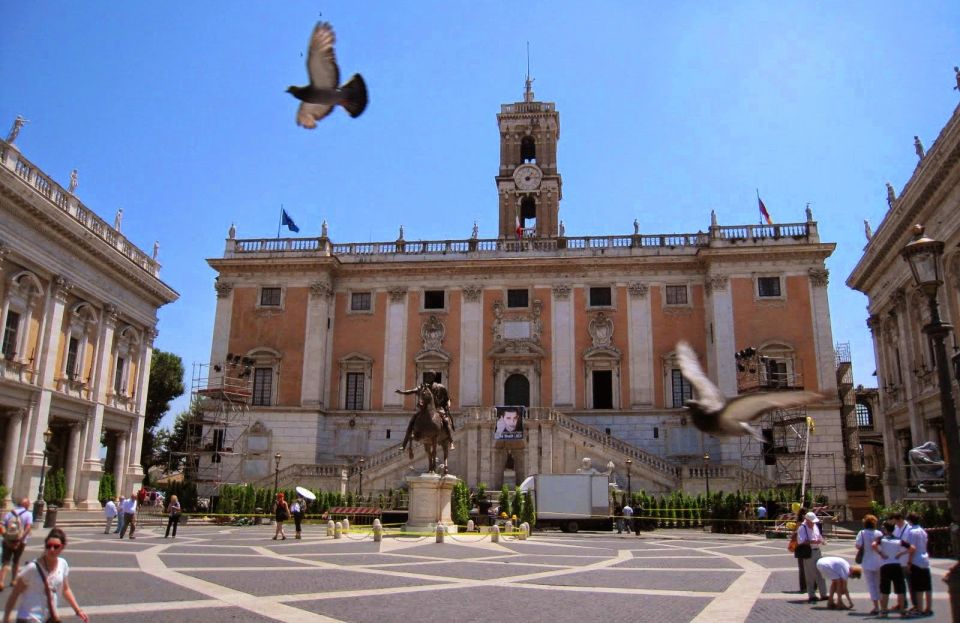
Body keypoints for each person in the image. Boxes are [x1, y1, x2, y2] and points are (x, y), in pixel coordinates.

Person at [2, 527, 88, 623]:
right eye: (49, 546)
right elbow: (15, 594)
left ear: (62, 547)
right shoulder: (32, 568)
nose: (51, 549)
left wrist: (78, 610)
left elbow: (65, 589)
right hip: (29, 617)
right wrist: (6, 618)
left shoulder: (62, 564)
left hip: (49, 617)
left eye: (56, 546)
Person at [397, 370, 455, 451]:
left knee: (445, 420)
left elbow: (447, 398)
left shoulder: (440, 387)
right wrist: (402, 392)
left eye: (430, 376)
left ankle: (451, 441)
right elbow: (411, 391)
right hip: (424, 409)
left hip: (438, 408)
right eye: (427, 376)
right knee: (412, 420)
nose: (428, 377)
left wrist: (448, 405)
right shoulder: (423, 387)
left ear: (434, 377)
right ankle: (404, 444)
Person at [874, 520, 909, 616]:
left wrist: (881, 553)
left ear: (885, 529)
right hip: (897, 565)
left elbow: (873, 545)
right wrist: (901, 553)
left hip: (885, 565)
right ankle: (902, 610)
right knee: (900, 588)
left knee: (885, 589)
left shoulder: (882, 539)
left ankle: (884, 610)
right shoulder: (898, 539)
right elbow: (912, 547)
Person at [902, 512, 933, 617]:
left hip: (916, 561)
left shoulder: (911, 532)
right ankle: (928, 608)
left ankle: (919, 608)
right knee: (927, 586)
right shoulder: (923, 531)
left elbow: (912, 548)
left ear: (910, 521)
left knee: (918, 587)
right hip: (925, 559)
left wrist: (909, 562)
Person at [0, 499, 33, 590]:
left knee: (6, 561)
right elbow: (28, 527)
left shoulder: (10, 513)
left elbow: (1, 525)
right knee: (16, 560)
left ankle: (1, 581)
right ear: (27, 505)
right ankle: (14, 580)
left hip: (8, 540)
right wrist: (20, 539)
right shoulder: (28, 514)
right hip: (21, 542)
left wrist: (6, 537)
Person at [856, 514, 883, 615]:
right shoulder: (879, 533)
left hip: (866, 561)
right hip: (878, 561)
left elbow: (858, 545)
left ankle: (876, 607)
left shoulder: (862, 533)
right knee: (879, 584)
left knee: (871, 585)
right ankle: (883, 605)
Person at [796, 511, 827, 603]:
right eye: (811, 521)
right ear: (806, 520)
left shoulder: (815, 526)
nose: (813, 523)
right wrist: (813, 541)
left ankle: (824, 594)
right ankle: (811, 595)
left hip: (817, 551)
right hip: (809, 552)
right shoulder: (802, 528)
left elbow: (819, 536)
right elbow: (801, 541)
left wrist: (822, 541)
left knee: (821, 573)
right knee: (810, 574)